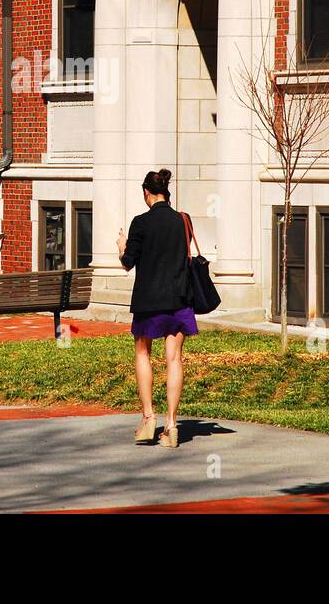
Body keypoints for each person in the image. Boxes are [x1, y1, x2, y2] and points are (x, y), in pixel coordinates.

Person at [116, 168, 196, 449]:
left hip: (149, 300)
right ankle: (172, 425)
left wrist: (122, 246)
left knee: (143, 353)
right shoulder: (182, 221)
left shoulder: (140, 223)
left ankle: (149, 417)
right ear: (167, 193)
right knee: (174, 358)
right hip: (178, 298)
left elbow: (128, 262)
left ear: (146, 193)